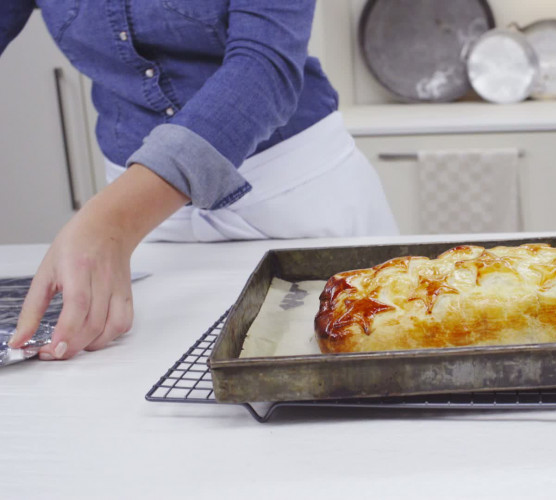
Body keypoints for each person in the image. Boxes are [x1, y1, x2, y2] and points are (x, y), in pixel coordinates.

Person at [2, 1, 398, 360]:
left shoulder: (112, 222)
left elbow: (264, 67)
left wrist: (112, 220)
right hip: (144, 227)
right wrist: (114, 223)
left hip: (290, 196)